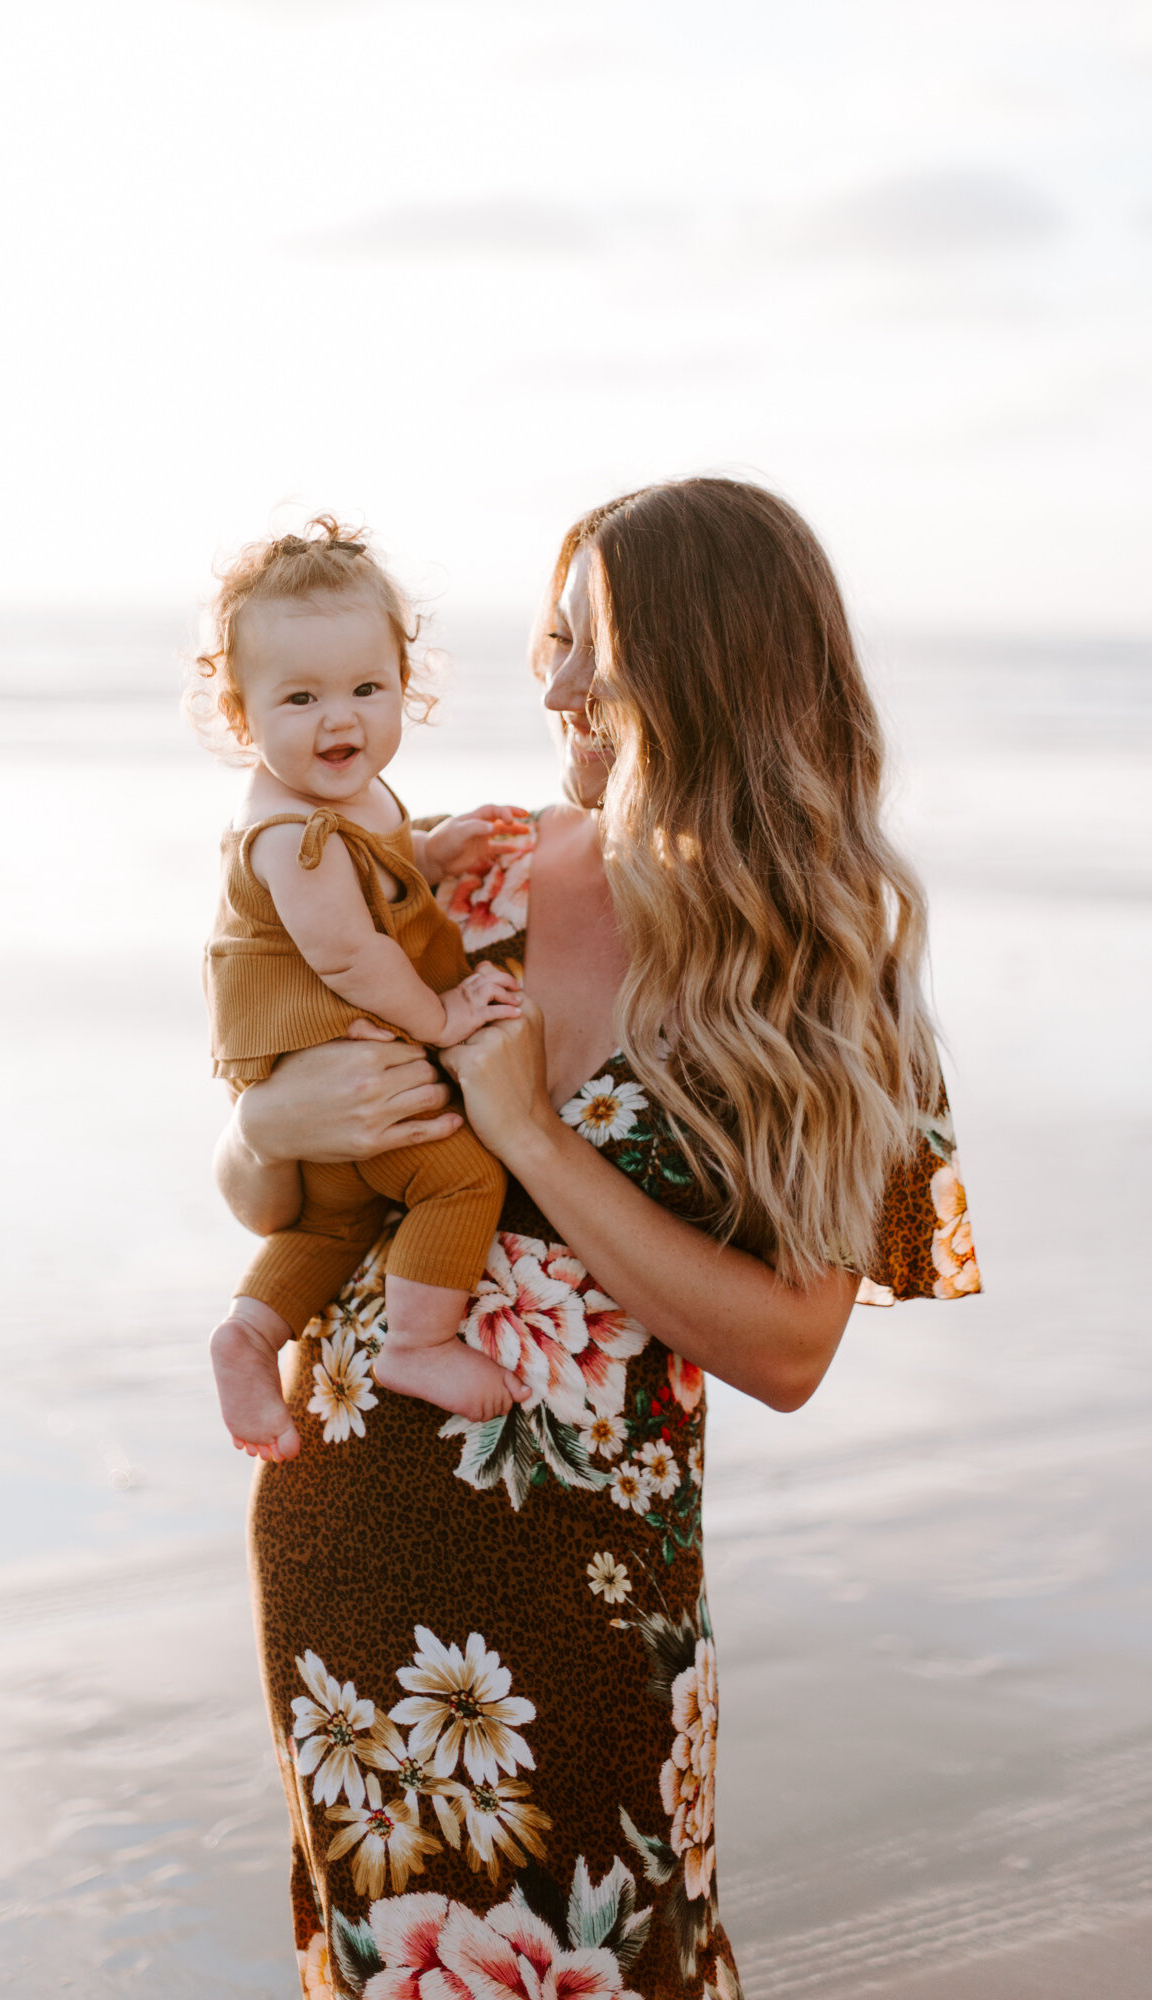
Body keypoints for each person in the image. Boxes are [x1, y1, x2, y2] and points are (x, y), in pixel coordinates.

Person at [213, 479, 981, 1999]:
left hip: (587, 1597)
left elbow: (789, 1350)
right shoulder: (456, 868)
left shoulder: (822, 974)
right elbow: (269, 1195)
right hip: (343, 1544)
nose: (551, 687)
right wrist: (268, 1131)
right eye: (549, 641)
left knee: (613, 1961)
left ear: (712, 671)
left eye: (595, 655)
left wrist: (532, 1139)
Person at [191, 519, 530, 1459]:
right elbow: (349, 956)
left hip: (329, 1099)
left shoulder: (344, 797)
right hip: (342, 1063)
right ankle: (416, 1344)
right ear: (239, 714)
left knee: (336, 1225)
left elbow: (376, 868)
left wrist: (427, 850)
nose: (339, 719)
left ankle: (248, 1334)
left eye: (365, 689)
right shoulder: (286, 835)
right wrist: (443, 1014)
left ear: (402, 686)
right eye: (299, 697)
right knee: (460, 1179)